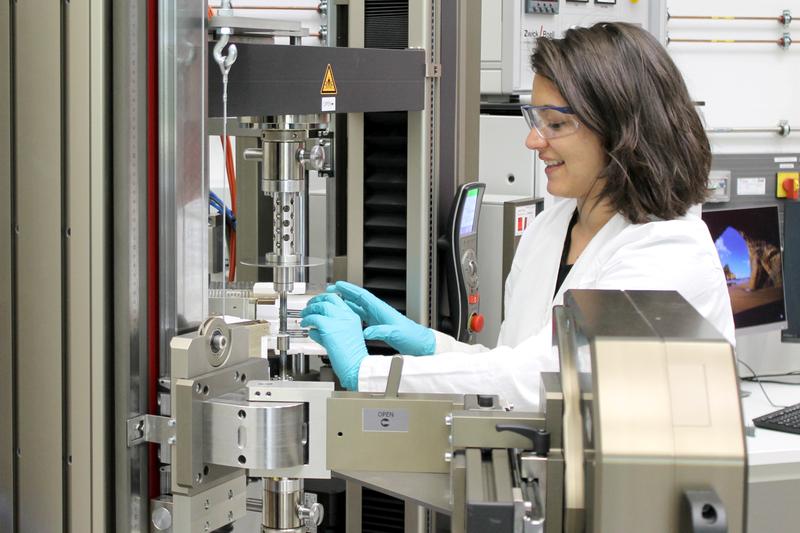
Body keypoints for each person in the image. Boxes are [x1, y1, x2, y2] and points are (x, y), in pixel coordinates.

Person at [300, 22, 735, 412]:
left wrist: (369, 375)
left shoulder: (668, 252)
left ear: (623, 130)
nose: (533, 140)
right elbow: (515, 365)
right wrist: (433, 348)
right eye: (534, 119)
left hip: (636, 496)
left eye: (555, 124)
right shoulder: (556, 223)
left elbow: (549, 380)